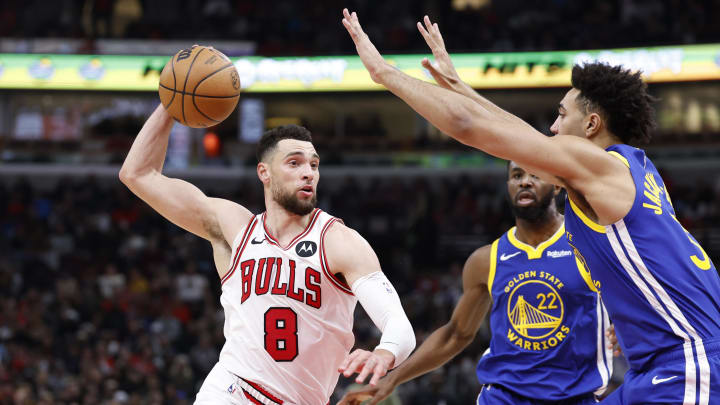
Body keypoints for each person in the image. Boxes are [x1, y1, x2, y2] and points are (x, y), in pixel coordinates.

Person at [342, 9, 720, 404]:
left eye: (560, 115)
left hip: (684, 365)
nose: (553, 129)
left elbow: (467, 128)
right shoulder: (635, 170)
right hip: (665, 365)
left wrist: (384, 74)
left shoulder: (599, 165)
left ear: (591, 125)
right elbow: (525, 139)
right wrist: (461, 88)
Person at [119, 107, 416, 405]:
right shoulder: (235, 228)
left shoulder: (339, 241)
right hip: (231, 391)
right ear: (264, 172)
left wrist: (385, 352)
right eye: (294, 163)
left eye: (313, 165)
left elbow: (399, 324)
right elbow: (137, 174)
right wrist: (170, 105)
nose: (307, 172)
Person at [340, 162, 613, 405]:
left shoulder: (590, 244)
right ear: (508, 186)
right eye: (516, 175)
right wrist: (391, 381)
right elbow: (455, 335)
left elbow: (641, 295)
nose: (524, 181)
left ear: (557, 185)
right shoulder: (487, 259)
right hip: (503, 396)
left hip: (574, 396)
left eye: (534, 174)